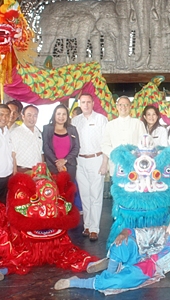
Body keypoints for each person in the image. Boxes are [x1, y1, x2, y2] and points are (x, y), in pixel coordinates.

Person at [54, 207, 170, 294]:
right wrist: (123, 233)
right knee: (122, 243)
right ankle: (112, 268)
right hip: (140, 254)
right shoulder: (163, 230)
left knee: (118, 283)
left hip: (149, 268)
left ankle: (76, 282)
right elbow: (137, 232)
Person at [73, 93, 108, 242]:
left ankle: (95, 228)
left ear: (93, 103)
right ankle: (87, 225)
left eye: (88, 102)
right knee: (85, 196)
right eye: (83, 102)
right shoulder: (75, 121)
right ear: (79, 104)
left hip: (97, 159)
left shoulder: (101, 119)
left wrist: (105, 162)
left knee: (96, 196)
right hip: (80, 161)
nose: (86, 105)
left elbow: (107, 142)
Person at [42, 105, 80, 210]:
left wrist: (64, 160)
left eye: (64, 114)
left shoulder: (72, 129)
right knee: (53, 194)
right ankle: (55, 220)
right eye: (58, 114)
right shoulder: (47, 129)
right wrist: (57, 162)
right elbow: (46, 147)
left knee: (68, 194)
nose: (61, 116)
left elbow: (76, 148)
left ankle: (67, 220)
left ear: (67, 116)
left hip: (70, 167)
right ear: (54, 115)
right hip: (52, 167)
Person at [11, 105, 43, 173]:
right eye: (29, 115)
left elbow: (41, 153)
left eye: (35, 115)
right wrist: (15, 173)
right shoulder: (16, 132)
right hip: (22, 171)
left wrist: (42, 170)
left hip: (37, 172)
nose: (32, 118)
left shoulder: (38, 133)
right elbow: (12, 155)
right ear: (23, 116)